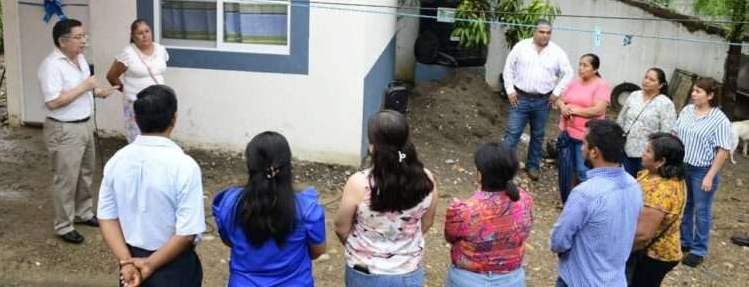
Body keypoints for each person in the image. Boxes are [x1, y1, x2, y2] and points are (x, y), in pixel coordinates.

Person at [97, 85, 206, 287]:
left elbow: (107, 217)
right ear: (174, 118)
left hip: (130, 264)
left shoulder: (117, 161)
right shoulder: (184, 166)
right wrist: (149, 264)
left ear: (136, 119)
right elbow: (186, 233)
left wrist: (125, 262)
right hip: (173, 265)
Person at [335, 110, 438, 286]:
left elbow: (341, 228)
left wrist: (362, 249)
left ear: (372, 146)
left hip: (364, 272)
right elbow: (427, 223)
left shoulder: (359, 183)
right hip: (408, 273)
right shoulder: (427, 179)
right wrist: (402, 241)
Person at [38, 18, 117, 244]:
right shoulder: (51, 66)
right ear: (62, 41)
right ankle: (64, 226)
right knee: (66, 179)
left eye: (84, 36)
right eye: (78, 37)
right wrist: (84, 87)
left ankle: (84, 212)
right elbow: (52, 102)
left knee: (85, 173)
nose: (84, 41)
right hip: (64, 129)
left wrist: (99, 92)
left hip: (85, 124)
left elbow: (85, 89)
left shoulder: (80, 59)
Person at [212, 131, 327, 286]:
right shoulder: (307, 208)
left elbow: (228, 240)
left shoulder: (229, 202)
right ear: (288, 165)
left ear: (250, 164)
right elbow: (317, 250)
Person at [550, 119, 643, 287]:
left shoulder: (585, 193)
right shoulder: (634, 185)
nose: (581, 148)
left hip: (580, 280)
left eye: (584, 143)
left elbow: (559, 241)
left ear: (594, 152)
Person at [444, 143, 534, 287]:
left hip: (468, 280)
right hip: (511, 279)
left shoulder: (463, 211)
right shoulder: (525, 201)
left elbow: (450, 237)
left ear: (480, 175)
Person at [502, 20, 573, 180]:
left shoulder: (557, 52)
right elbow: (508, 67)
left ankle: (533, 166)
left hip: (543, 101)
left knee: (538, 134)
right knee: (512, 133)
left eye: (548, 33)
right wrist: (510, 90)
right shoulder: (521, 47)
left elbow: (568, 73)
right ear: (534, 31)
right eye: (541, 32)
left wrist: (556, 92)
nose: (545, 35)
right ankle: (504, 167)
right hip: (520, 98)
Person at [672, 77, 731, 267]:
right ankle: (685, 241)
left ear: (710, 95)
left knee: (702, 209)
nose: (693, 94)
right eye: (694, 90)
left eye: (698, 91)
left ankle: (699, 250)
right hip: (683, 166)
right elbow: (675, 133)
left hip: (702, 170)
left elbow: (723, 150)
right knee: (686, 205)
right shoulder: (687, 110)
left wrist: (710, 176)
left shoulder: (719, 120)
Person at [628, 133, 686, 287]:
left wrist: (617, 253)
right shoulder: (656, 174)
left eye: (648, 151)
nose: (643, 153)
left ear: (661, 161)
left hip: (654, 256)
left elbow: (643, 236)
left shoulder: (660, 191)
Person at [106, 19, 169, 143]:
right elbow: (111, 76)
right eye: (140, 33)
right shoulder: (128, 54)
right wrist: (127, 91)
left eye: (147, 31)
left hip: (159, 103)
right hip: (136, 104)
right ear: (133, 36)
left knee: (158, 139)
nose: (145, 35)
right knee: (138, 140)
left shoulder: (161, 50)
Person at [555, 54, 611, 185]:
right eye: (580, 64)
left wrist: (574, 111)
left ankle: (589, 195)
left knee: (583, 170)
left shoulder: (601, 85)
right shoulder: (575, 82)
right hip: (568, 133)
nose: (581, 68)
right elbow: (560, 100)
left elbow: (598, 110)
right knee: (568, 168)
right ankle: (573, 194)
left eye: (585, 65)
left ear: (595, 69)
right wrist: (563, 107)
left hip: (585, 136)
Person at [616, 68, 676, 178]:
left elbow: (667, 134)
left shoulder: (666, 103)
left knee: (643, 185)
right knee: (625, 182)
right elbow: (621, 120)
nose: (646, 81)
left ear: (661, 85)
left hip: (648, 156)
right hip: (625, 150)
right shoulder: (634, 95)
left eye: (652, 80)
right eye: (646, 77)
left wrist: (658, 155)